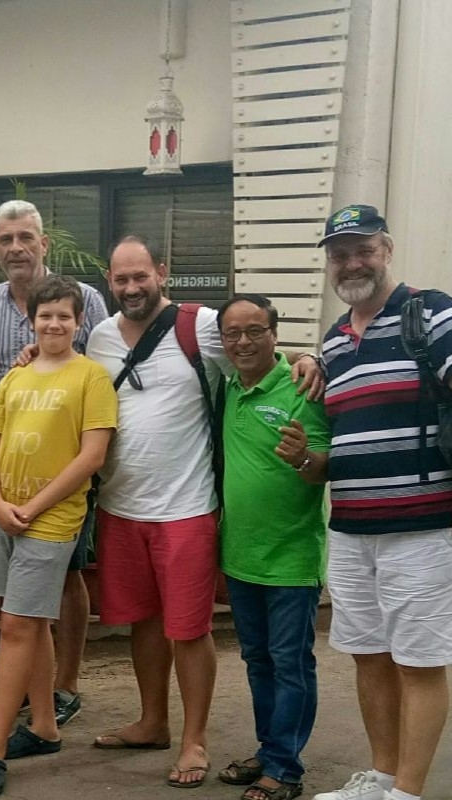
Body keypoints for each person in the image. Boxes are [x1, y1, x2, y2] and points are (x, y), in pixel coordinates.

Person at [85, 236, 323, 788]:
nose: (131, 287)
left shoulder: (203, 325)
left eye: (140, 276)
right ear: (110, 282)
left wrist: (311, 358)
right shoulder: (99, 336)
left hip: (187, 507)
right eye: (121, 279)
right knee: (143, 622)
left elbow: (256, 349)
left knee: (189, 629)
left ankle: (194, 740)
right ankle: (152, 722)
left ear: (161, 272)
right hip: (120, 506)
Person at [311, 205, 452, 800]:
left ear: (387, 250)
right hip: (351, 527)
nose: (352, 264)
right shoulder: (333, 342)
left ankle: (407, 793)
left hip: (422, 525)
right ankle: (383, 777)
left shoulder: (433, 312)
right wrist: (307, 360)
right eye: (340, 254)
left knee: (419, 662)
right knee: (368, 656)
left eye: (363, 250)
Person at [0, 275, 116, 798]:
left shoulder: (91, 377)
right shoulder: (16, 376)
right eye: (45, 315)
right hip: (6, 513)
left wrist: (30, 507)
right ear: (31, 320)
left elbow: (92, 456)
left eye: (63, 316)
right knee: (31, 624)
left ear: (79, 321)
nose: (54, 324)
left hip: (49, 520)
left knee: (15, 628)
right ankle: (46, 727)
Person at [0, 199, 108, 727]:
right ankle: (31, 689)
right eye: (6, 240)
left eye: (25, 237)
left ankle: (64, 684)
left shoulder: (85, 298)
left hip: (65, 463)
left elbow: (103, 361)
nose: (16, 248)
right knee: (19, 599)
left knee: (68, 576)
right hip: (7, 462)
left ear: (43, 242)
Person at [215, 293, 330, 800]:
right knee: (258, 661)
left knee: (290, 663)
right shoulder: (225, 387)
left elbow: (321, 470)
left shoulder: (304, 387)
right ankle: (270, 750)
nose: (243, 342)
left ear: (274, 335)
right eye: (233, 333)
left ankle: (285, 769)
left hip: (291, 557)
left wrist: (304, 458)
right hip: (240, 555)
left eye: (255, 331)